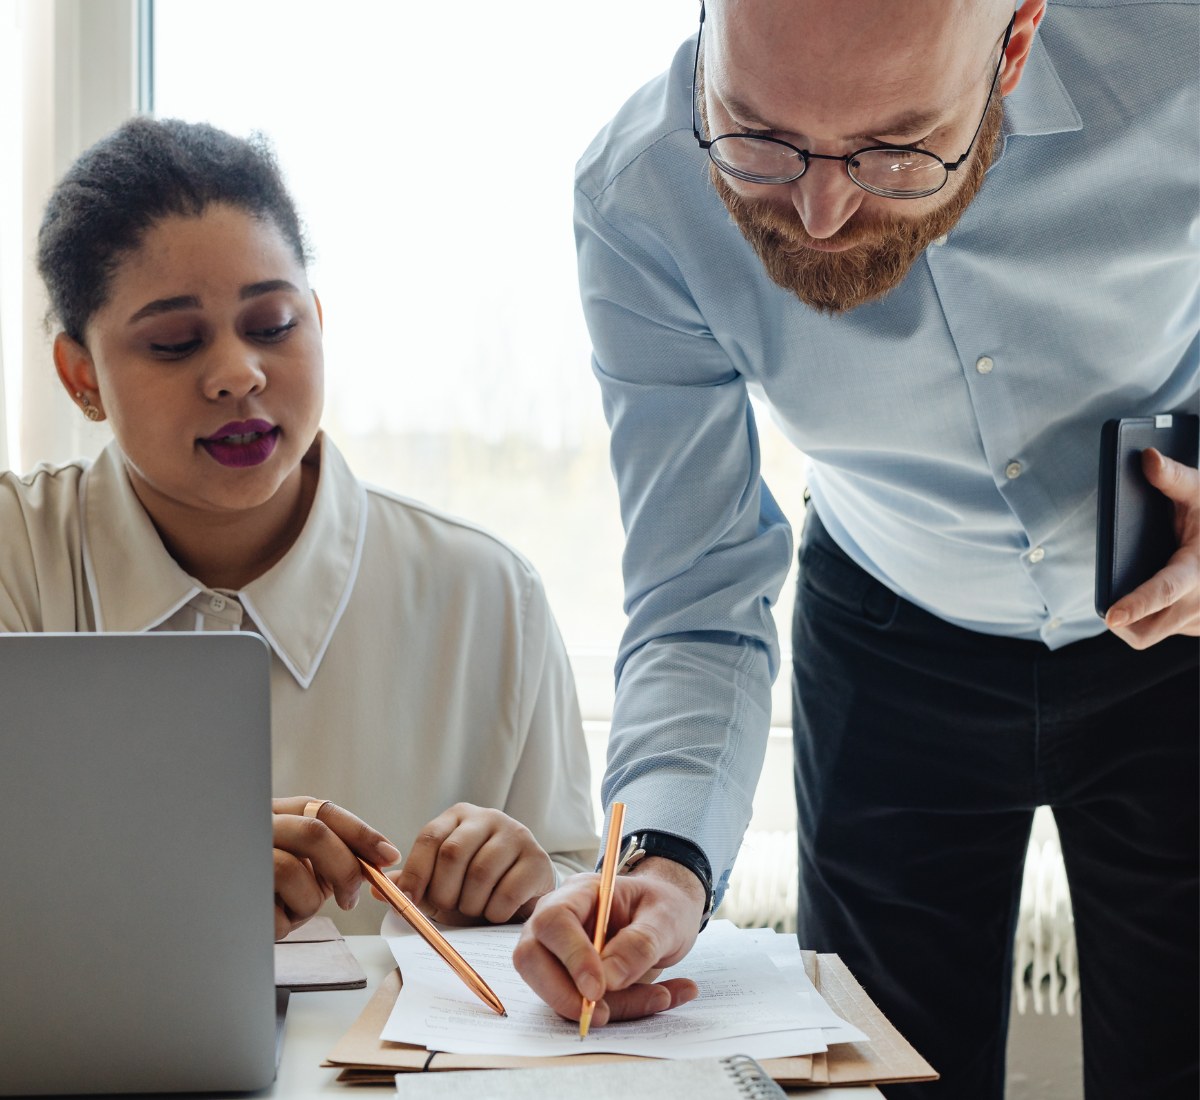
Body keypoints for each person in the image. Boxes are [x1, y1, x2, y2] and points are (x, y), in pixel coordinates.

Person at [513, 1, 1199, 1096]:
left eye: (896, 148)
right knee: (883, 1082)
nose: (821, 212)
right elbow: (698, 584)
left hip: (1182, 626)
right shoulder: (639, 196)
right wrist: (664, 856)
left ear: (1011, 48)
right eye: (758, 133)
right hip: (889, 650)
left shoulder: (1178, 61)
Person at [1, 116, 598, 940]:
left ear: (316, 318)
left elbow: (575, 902)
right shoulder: (16, 563)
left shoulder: (490, 594)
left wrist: (526, 899)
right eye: (175, 342)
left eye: (273, 325)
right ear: (80, 379)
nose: (239, 374)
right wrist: (167, 890)